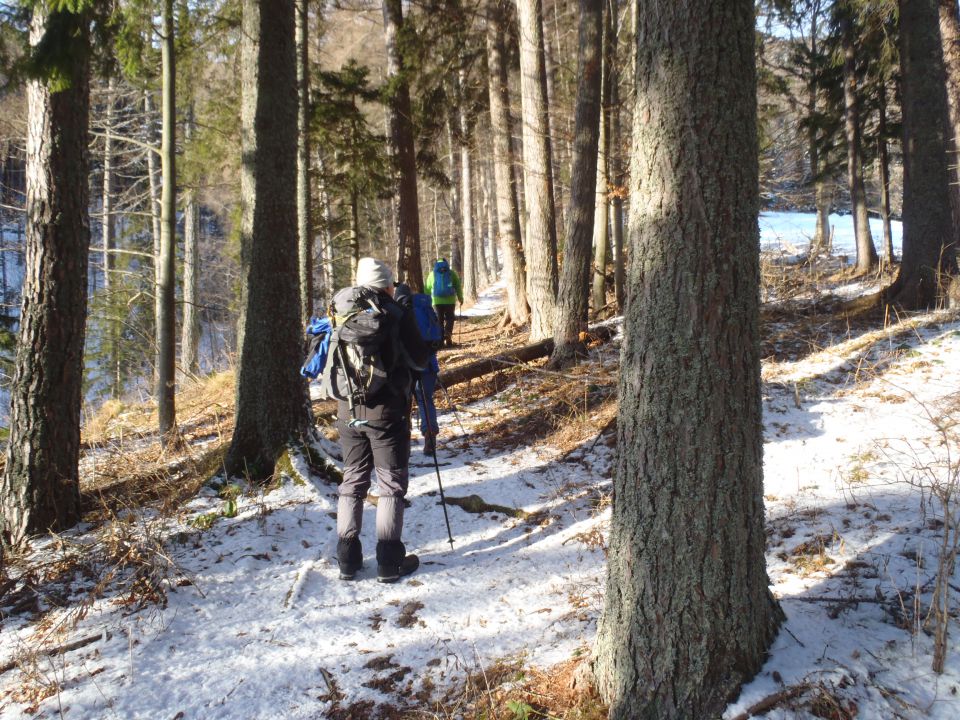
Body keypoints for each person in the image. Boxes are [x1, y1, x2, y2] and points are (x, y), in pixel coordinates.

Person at [329, 258, 432, 583]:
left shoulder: (342, 309)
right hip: (386, 414)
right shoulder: (394, 313)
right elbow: (419, 357)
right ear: (385, 284)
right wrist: (406, 309)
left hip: (347, 411)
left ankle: (347, 558)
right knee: (389, 486)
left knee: (353, 480)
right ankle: (388, 562)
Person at [394, 283, 441, 455]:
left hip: (405, 367)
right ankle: (430, 436)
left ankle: (403, 443)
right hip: (428, 364)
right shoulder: (424, 308)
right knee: (425, 400)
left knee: (403, 403)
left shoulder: (396, 312)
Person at [424, 257, 463, 347]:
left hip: (436, 301)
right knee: (450, 318)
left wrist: (426, 301)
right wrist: (460, 298)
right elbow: (457, 286)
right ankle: (448, 334)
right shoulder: (451, 273)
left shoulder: (432, 274)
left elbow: (427, 288)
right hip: (450, 300)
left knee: (439, 321)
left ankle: (441, 341)